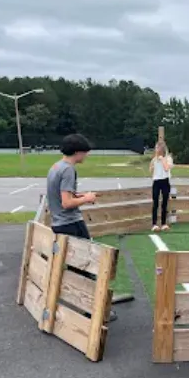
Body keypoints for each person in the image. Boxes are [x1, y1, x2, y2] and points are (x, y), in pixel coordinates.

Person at [46, 133, 117, 321]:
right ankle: (95, 311)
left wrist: (81, 195)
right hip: (71, 224)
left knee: (77, 269)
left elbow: (63, 195)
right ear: (77, 152)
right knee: (88, 268)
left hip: (60, 224)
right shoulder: (68, 170)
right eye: (85, 152)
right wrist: (87, 199)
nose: (87, 155)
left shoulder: (55, 167)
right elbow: (66, 203)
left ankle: (88, 308)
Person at [149, 141, 173, 232]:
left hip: (165, 181)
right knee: (155, 203)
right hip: (156, 181)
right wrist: (153, 164)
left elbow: (167, 168)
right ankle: (154, 224)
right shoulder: (154, 159)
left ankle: (163, 223)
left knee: (164, 203)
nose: (156, 150)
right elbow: (150, 170)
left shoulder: (168, 158)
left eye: (157, 148)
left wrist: (162, 159)